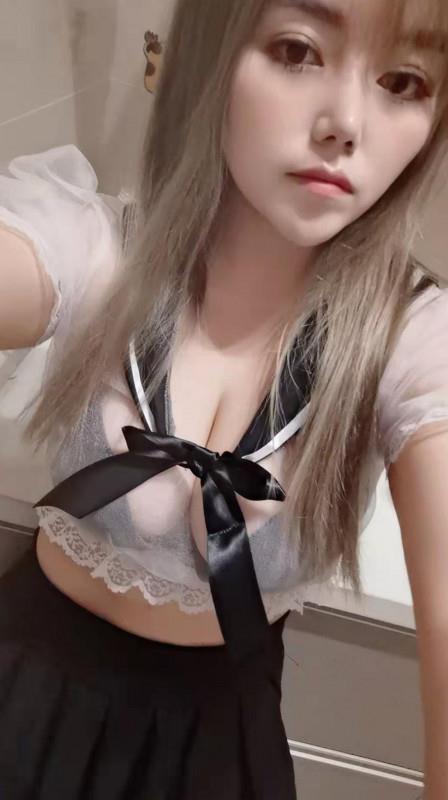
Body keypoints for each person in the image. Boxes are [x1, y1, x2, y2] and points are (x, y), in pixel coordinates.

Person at [1, 0, 448, 796]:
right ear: (214, 51)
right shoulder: (97, 249)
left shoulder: (407, 339)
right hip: (22, 694)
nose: (347, 125)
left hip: (216, 749)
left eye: (403, 81)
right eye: (298, 50)